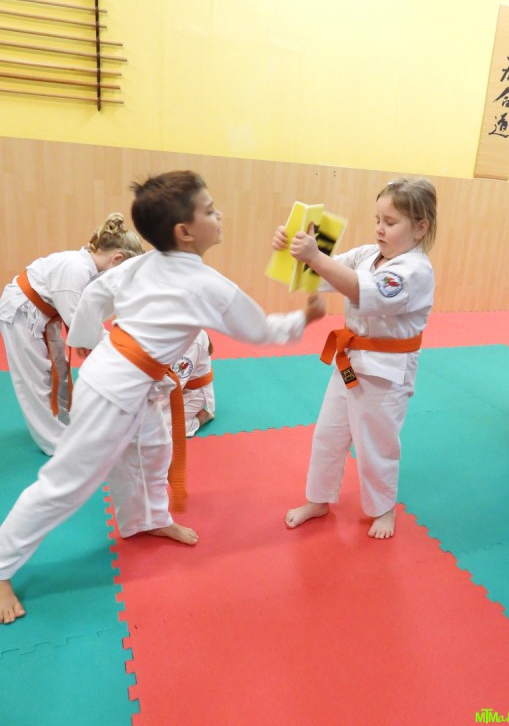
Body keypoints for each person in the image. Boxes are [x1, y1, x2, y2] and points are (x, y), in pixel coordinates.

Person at [0, 170, 326, 623]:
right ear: (184, 231)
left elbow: (95, 295)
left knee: (153, 451)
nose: (219, 215)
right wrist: (304, 318)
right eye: (210, 210)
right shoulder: (207, 285)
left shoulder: (143, 264)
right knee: (67, 483)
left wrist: (87, 339)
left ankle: (147, 520)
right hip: (115, 386)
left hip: (135, 378)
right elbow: (258, 330)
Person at [274, 177, 437, 539]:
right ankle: (318, 499)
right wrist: (293, 249)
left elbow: (363, 290)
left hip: (385, 373)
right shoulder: (368, 254)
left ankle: (383, 508)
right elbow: (326, 273)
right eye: (378, 219)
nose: (379, 228)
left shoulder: (414, 271)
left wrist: (315, 256)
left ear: (421, 227)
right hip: (348, 361)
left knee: (376, 444)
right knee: (328, 435)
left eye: (390, 222)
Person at [0, 213, 144, 455]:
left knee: (60, 371)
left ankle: (69, 424)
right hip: (22, 313)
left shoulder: (89, 270)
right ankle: (54, 442)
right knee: (36, 380)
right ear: (117, 258)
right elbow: (80, 325)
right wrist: (123, 352)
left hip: (46, 314)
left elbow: (88, 319)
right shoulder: (75, 269)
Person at [162, 330, 216, 438]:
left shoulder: (192, 341)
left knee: (154, 430)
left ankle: (200, 419)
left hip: (192, 394)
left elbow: (175, 384)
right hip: (167, 386)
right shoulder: (165, 327)